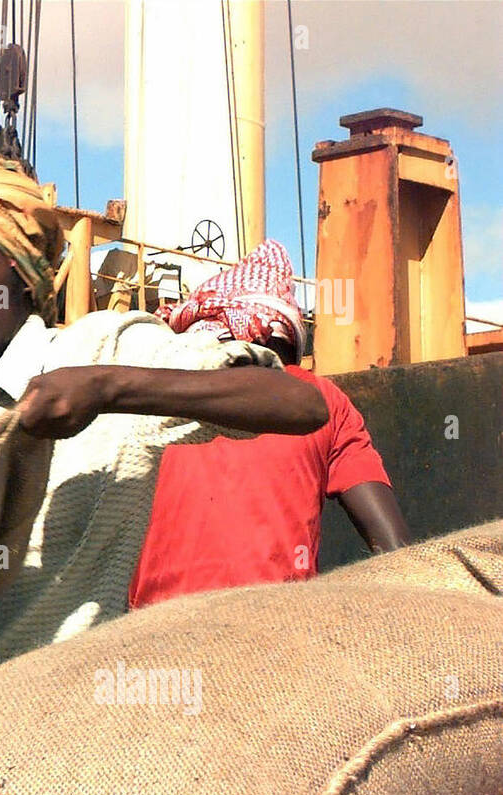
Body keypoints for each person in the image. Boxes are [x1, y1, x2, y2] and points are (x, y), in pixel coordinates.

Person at [0, 154, 329, 697]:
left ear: (24, 274)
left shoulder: (97, 350)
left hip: (47, 729)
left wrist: (108, 389)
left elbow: (296, 403)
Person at [128, 240, 410, 609]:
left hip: (146, 637)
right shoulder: (321, 399)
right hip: (276, 638)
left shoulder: (152, 390)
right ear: (289, 341)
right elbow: (394, 548)